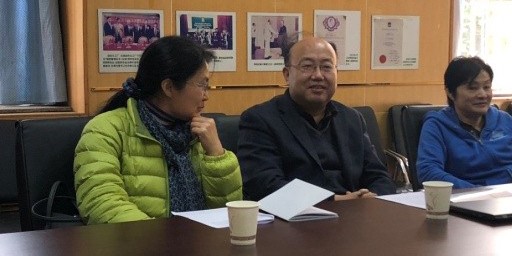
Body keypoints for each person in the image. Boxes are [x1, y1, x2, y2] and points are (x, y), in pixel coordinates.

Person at [73, 36, 241, 223]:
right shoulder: (106, 130)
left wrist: (217, 156)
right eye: (202, 85)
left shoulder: (199, 133)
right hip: (143, 240)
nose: (206, 96)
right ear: (168, 87)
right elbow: (102, 204)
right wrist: (161, 238)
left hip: (200, 238)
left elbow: (228, 212)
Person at [238, 35, 395, 201]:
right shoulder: (260, 120)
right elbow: (264, 186)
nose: (318, 75)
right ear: (287, 74)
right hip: (297, 215)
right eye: (307, 66)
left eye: (327, 67)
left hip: (357, 212)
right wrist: (334, 201)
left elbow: (380, 177)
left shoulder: (352, 119)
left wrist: (371, 198)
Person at [417, 57, 512, 187]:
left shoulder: (504, 119)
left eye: (486, 87)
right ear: (450, 93)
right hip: (478, 198)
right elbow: (429, 171)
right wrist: (475, 193)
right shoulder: (437, 126)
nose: (482, 95)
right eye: (472, 88)